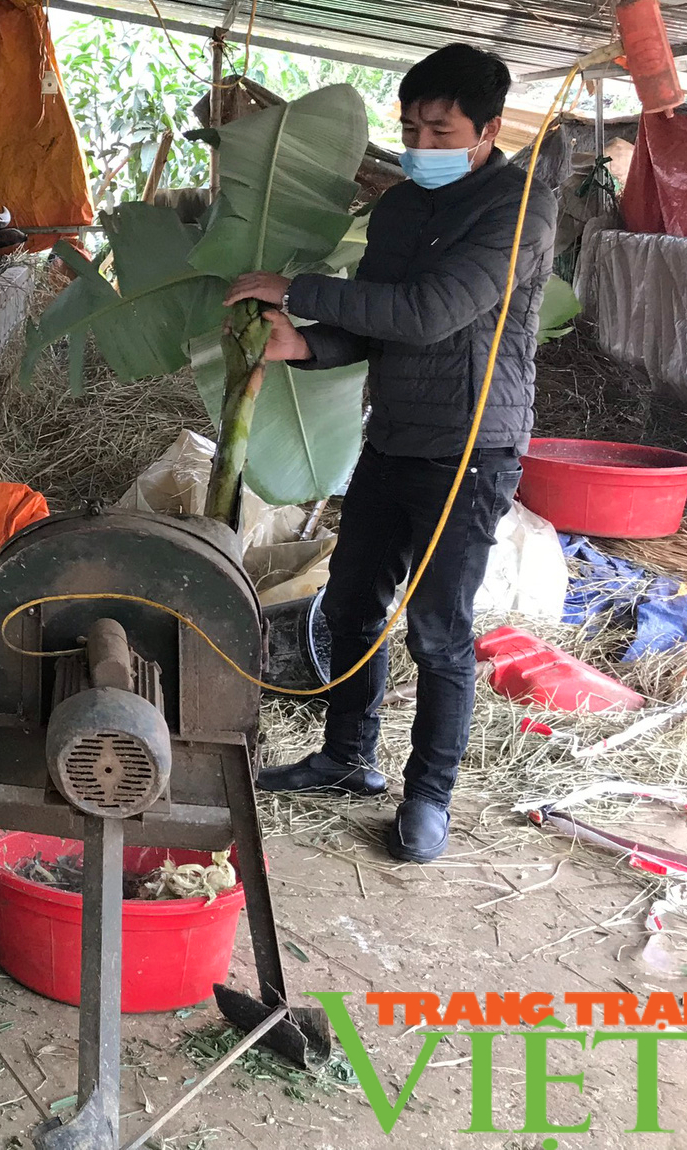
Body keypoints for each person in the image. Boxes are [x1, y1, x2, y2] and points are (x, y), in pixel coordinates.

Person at [224, 43, 557, 864]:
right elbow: (374, 323)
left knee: (439, 630)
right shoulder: (405, 207)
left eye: (439, 129)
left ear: (487, 129)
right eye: (410, 127)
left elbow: (430, 312)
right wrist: (302, 346)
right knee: (349, 606)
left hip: (472, 448)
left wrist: (296, 286)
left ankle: (429, 798)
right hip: (395, 434)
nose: (420, 143)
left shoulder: (518, 210)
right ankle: (347, 759)